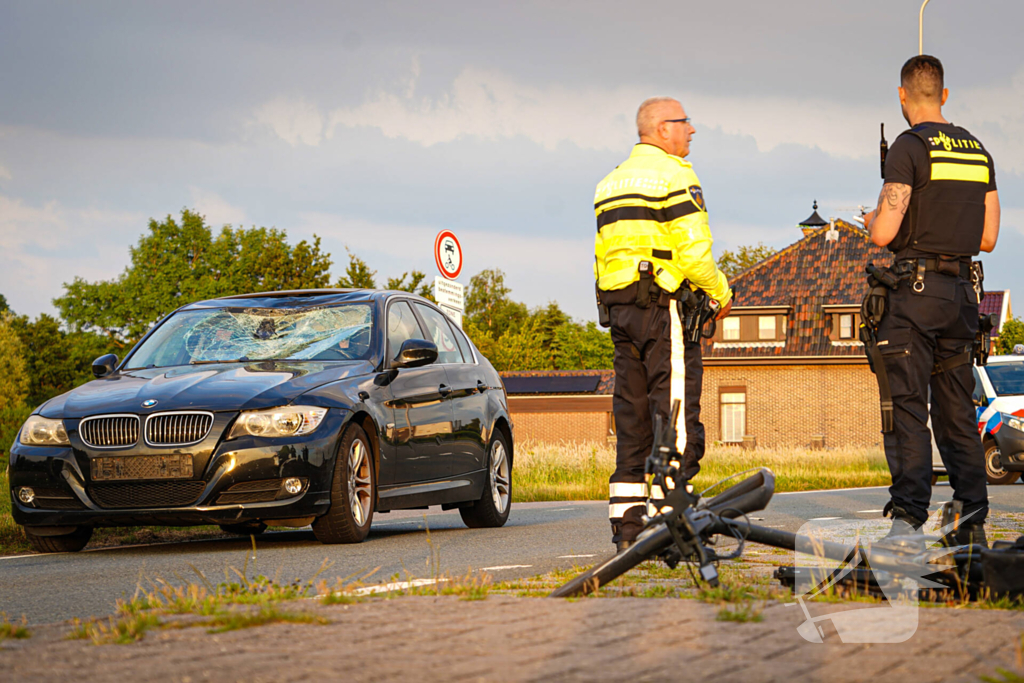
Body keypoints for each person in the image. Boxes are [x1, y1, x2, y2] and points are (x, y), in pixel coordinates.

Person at [862, 55, 1000, 545]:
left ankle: (908, 520)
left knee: (906, 409)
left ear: (902, 95)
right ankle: (972, 521)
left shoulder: (908, 146)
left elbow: (884, 232)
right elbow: (988, 236)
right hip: (963, 296)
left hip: (914, 296)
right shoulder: (977, 150)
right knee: (957, 411)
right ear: (944, 94)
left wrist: (872, 217)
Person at [594, 97, 733, 551]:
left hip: (619, 311)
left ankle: (629, 530)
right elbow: (694, 254)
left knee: (631, 418)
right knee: (673, 416)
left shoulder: (609, 183)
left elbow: (603, 254)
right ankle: (672, 529)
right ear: (660, 129)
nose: (692, 130)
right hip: (662, 308)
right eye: (685, 121)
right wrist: (720, 292)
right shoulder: (675, 176)